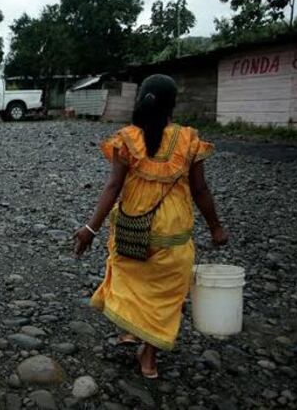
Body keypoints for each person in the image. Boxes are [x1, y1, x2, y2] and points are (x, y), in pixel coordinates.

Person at [73, 75, 228, 379]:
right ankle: (149, 357)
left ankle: (133, 331)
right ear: (173, 105)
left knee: (132, 281)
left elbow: (112, 187)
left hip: (133, 229)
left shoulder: (127, 138)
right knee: (165, 293)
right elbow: (200, 190)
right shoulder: (188, 140)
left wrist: (90, 229)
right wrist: (216, 228)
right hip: (173, 234)